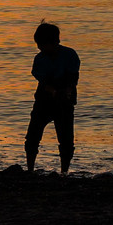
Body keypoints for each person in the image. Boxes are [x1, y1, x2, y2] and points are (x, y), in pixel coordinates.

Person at [25, 21, 81, 174]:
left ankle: (64, 171)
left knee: (66, 138)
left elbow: (73, 77)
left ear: (54, 42)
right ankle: (30, 169)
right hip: (44, 100)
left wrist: (67, 91)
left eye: (41, 44)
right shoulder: (40, 59)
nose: (39, 48)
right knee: (33, 136)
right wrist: (53, 91)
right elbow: (43, 82)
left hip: (65, 101)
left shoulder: (70, 55)